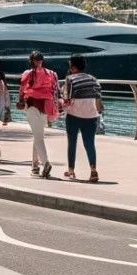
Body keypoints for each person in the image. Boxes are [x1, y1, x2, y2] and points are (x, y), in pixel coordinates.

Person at [59, 55, 103, 183]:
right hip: (92, 115)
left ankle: (71, 170)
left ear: (72, 67)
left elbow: (66, 98)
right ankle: (93, 170)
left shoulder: (69, 79)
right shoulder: (93, 79)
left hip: (74, 115)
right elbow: (98, 99)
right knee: (89, 144)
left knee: (72, 143)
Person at [17, 51, 58, 177]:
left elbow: (22, 90)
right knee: (38, 134)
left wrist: (20, 102)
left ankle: (46, 163)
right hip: (46, 107)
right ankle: (35, 165)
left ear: (30, 61)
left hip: (32, 106)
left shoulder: (27, 73)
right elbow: (55, 90)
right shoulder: (52, 74)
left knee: (38, 137)